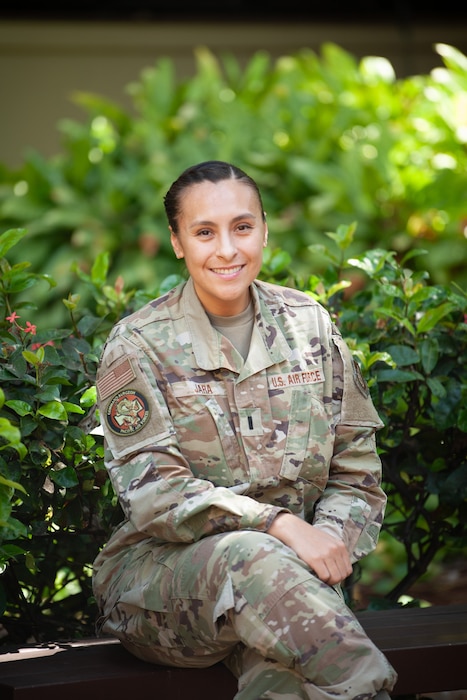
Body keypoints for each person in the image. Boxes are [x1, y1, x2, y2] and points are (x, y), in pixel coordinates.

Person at [92, 160, 397, 700]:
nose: (228, 250)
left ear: (263, 229)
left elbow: (356, 471)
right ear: (177, 242)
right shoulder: (137, 345)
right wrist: (279, 526)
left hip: (293, 588)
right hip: (163, 587)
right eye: (205, 232)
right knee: (253, 556)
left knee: (282, 682)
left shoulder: (310, 325)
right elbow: (158, 497)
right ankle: (371, 689)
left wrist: (325, 545)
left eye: (242, 227)